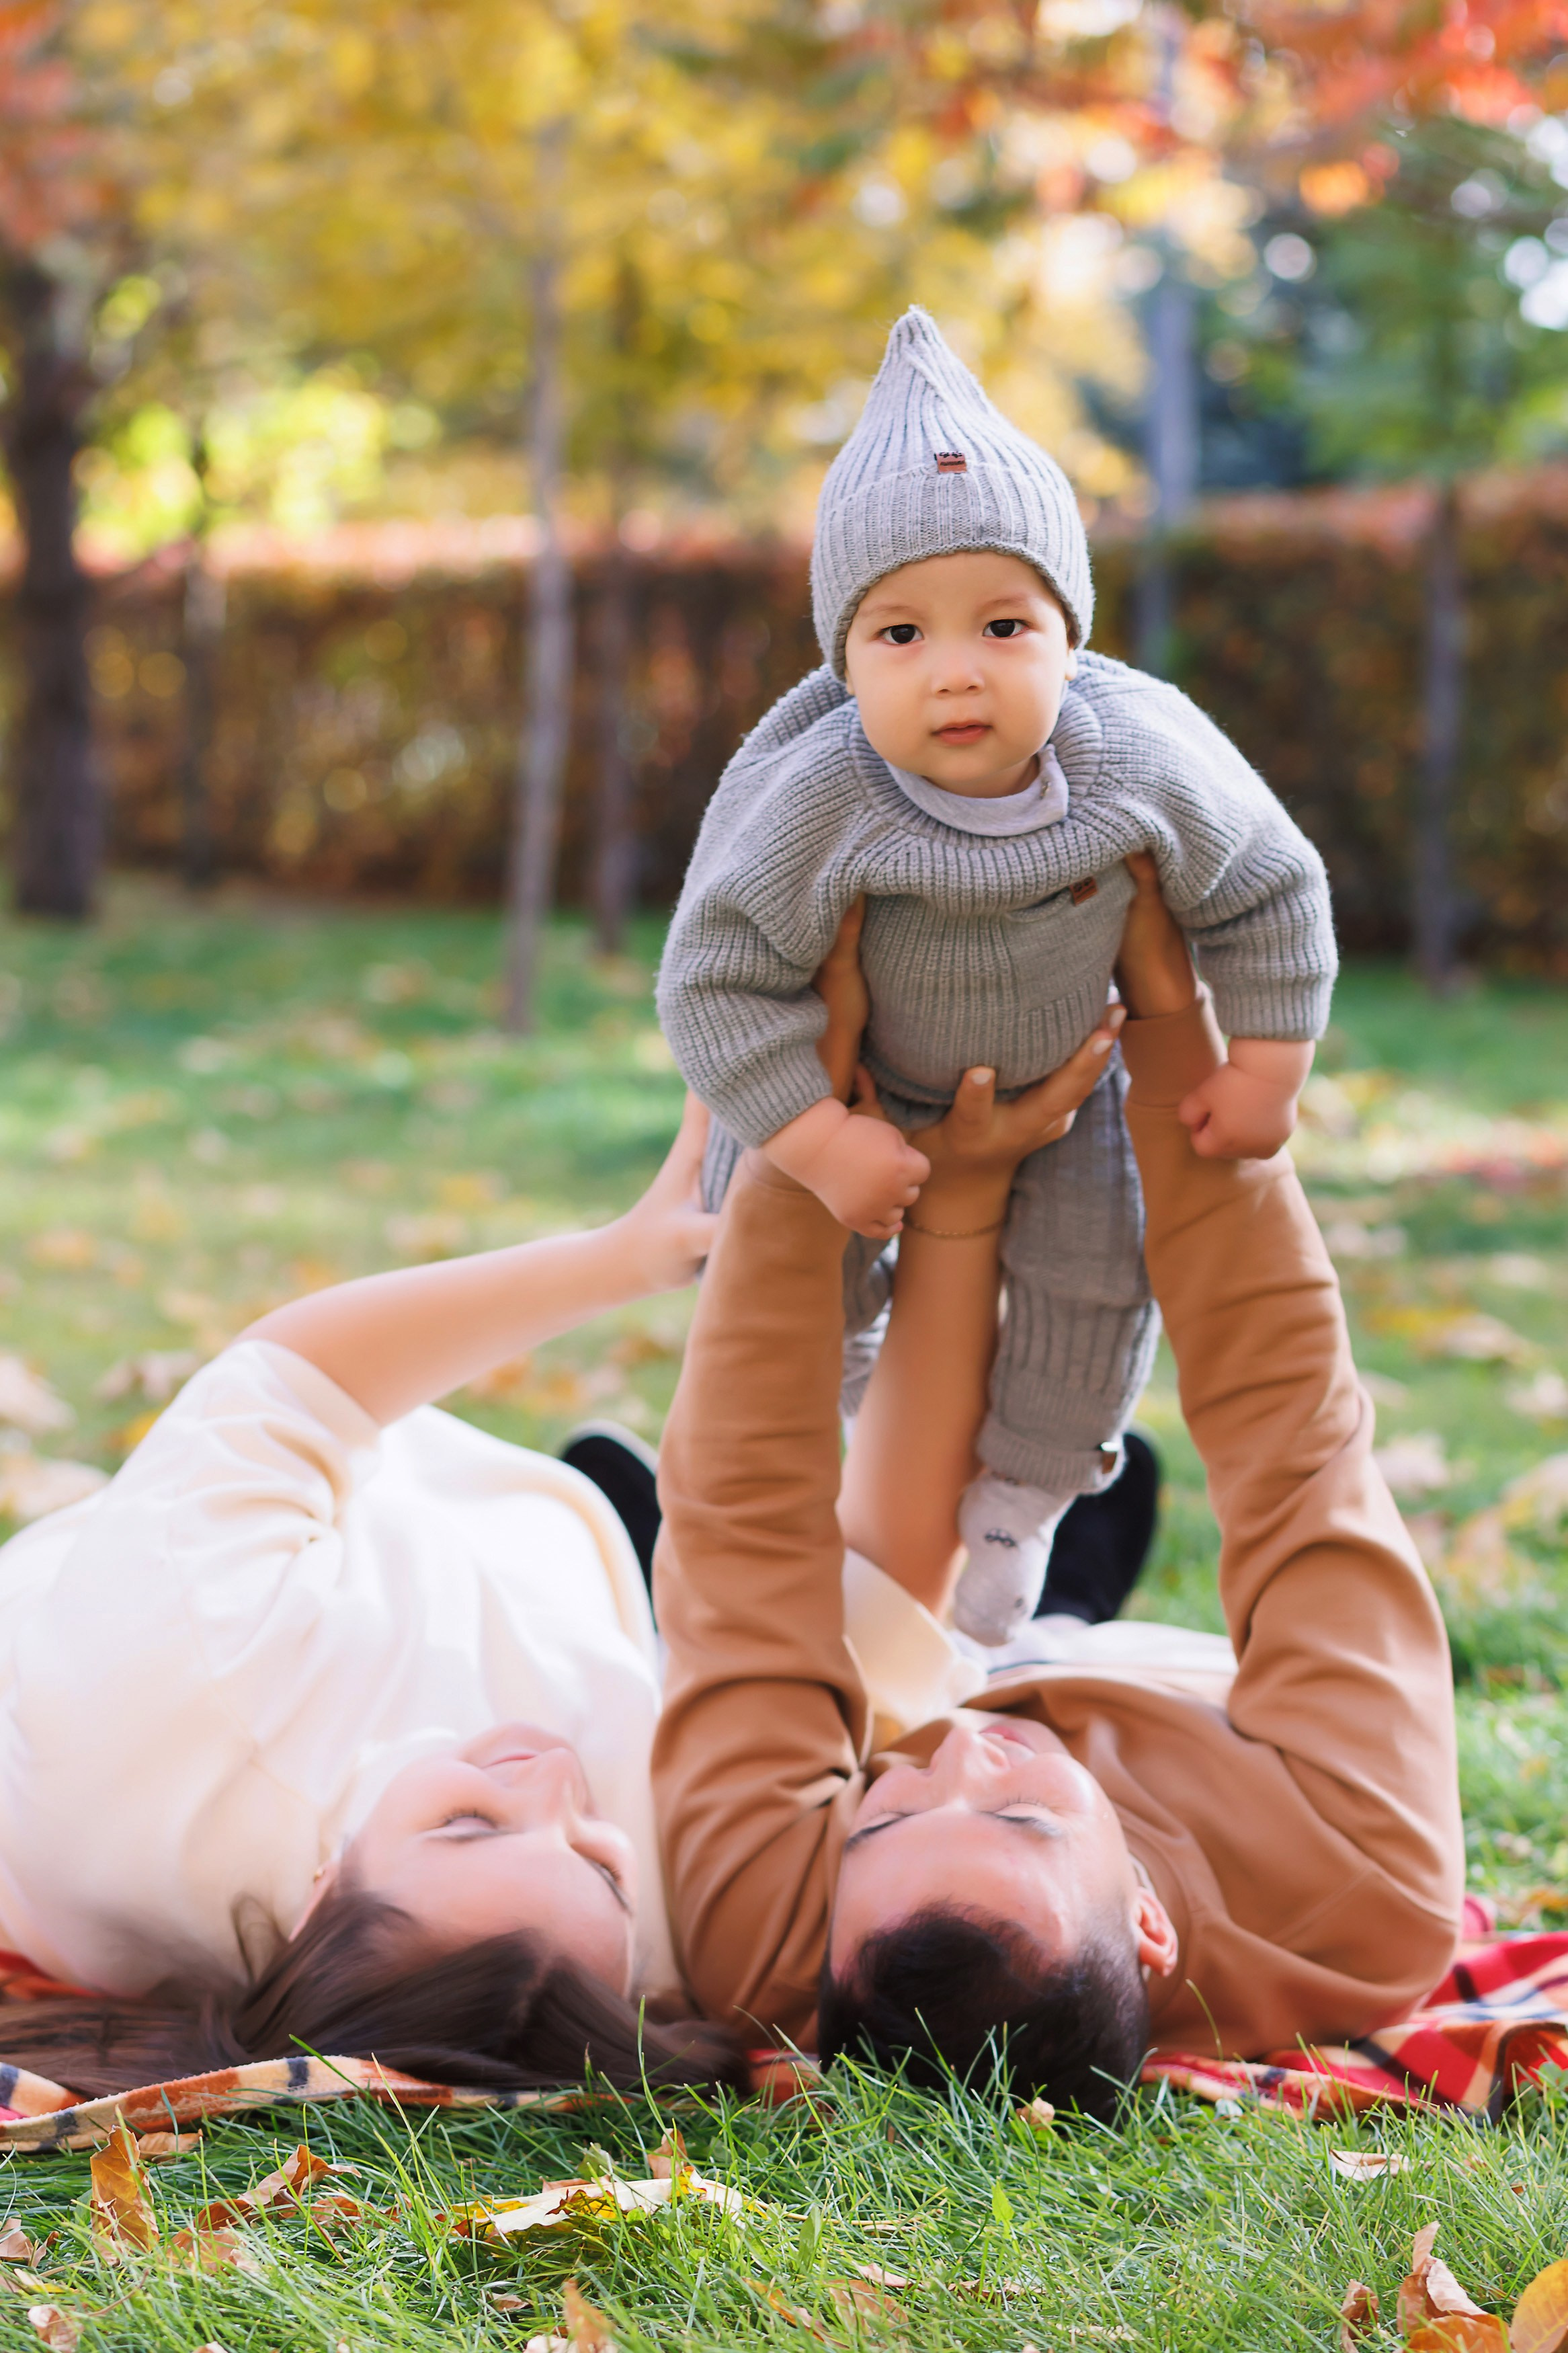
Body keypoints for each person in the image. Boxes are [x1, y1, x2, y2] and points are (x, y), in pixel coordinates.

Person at [652, 859, 1465, 2119]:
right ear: (1146, 1920)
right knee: (1043, 1624)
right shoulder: (1365, 1892)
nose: (958, 1760)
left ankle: (1044, 1589)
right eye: (1023, 1819)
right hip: (1186, 1697)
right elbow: (1288, 1435)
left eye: (883, 1821)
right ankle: (1069, 1601)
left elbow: (737, 1530)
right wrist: (1174, 1029)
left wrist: (802, 1130)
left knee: (881, 1616)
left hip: (906, 1651)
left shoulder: (770, 1940)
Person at [657, 307, 1337, 1647]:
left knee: (1097, 1278)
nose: (955, 671)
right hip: (848, 1083)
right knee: (777, 1264)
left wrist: (1267, 1063)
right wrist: (815, 1131)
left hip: (1068, 1083)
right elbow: (714, 980)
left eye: (1005, 625)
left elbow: (1266, 882)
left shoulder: (1136, 753)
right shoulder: (821, 794)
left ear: (1071, 636)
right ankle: (821, 1467)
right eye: (899, 635)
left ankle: (1022, 1505)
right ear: (842, 660)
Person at [0, 1111, 743, 2100]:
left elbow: (294, 1383)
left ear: (316, 1899)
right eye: (595, 1863)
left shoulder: (182, 1670)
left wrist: (628, 1255)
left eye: (470, 1823)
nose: (553, 1786)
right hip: (575, 1554)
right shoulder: (634, 1935)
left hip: (290, 1554)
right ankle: (616, 1511)